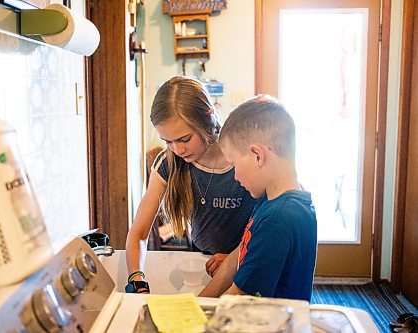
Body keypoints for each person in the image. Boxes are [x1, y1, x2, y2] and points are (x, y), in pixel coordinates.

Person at [124, 76, 256, 293]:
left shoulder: (241, 157)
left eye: (184, 139)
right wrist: (137, 279)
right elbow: (138, 232)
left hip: (247, 262)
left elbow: (267, 225)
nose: (178, 150)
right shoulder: (168, 164)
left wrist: (236, 257)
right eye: (168, 141)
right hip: (202, 263)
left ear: (208, 117)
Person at [198, 94, 317, 302]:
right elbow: (243, 256)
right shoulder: (273, 199)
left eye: (234, 164)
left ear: (257, 155)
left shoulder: (278, 219)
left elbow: (238, 301)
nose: (235, 176)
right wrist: (198, 302)